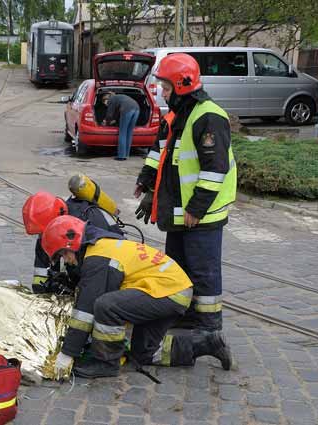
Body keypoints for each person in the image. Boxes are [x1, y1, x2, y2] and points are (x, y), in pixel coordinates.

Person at [42, 216, 232, 379]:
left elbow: (85, 312)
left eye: (63, 254)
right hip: (172, 289)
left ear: (72, 243)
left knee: (105, 305)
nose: (65, 260)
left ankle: (107, 363)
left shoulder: (97, 259)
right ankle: (208, 343)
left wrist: (68, 354)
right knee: (143, 353)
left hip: (168, 291)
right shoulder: (101, 245)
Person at [134, 53, 236, 332]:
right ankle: (187, 314)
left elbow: (215, 169)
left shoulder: (209, 117)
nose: (162, 93)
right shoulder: (177, 115)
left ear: (182, 86)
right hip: (180, 212)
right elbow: (160, 151)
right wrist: (147, 180)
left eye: (166, 88)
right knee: (178, 270)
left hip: (201, 215)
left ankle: (209, 325)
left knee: (204, 272)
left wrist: (197, 208)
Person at [22, 190, 124, 294]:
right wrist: (42, 294)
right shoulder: (49, 226)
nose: (42, 237)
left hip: (113, 268)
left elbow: (96, 269)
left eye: (43, 233)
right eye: (40, 234)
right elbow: (41, 268)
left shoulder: (85, 222)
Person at [102, 92, 140, 160]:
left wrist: (106, 122)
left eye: (105, 103)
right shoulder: (118, 98)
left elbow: (109, 114)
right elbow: (116, 114)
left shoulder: (111, 99)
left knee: (122, 132)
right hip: (137, 108)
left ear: (106, 99)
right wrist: (114, 120)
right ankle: (126, 154)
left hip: (127, 109)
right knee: (129, 132)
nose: (106, 105)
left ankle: (121, 156)